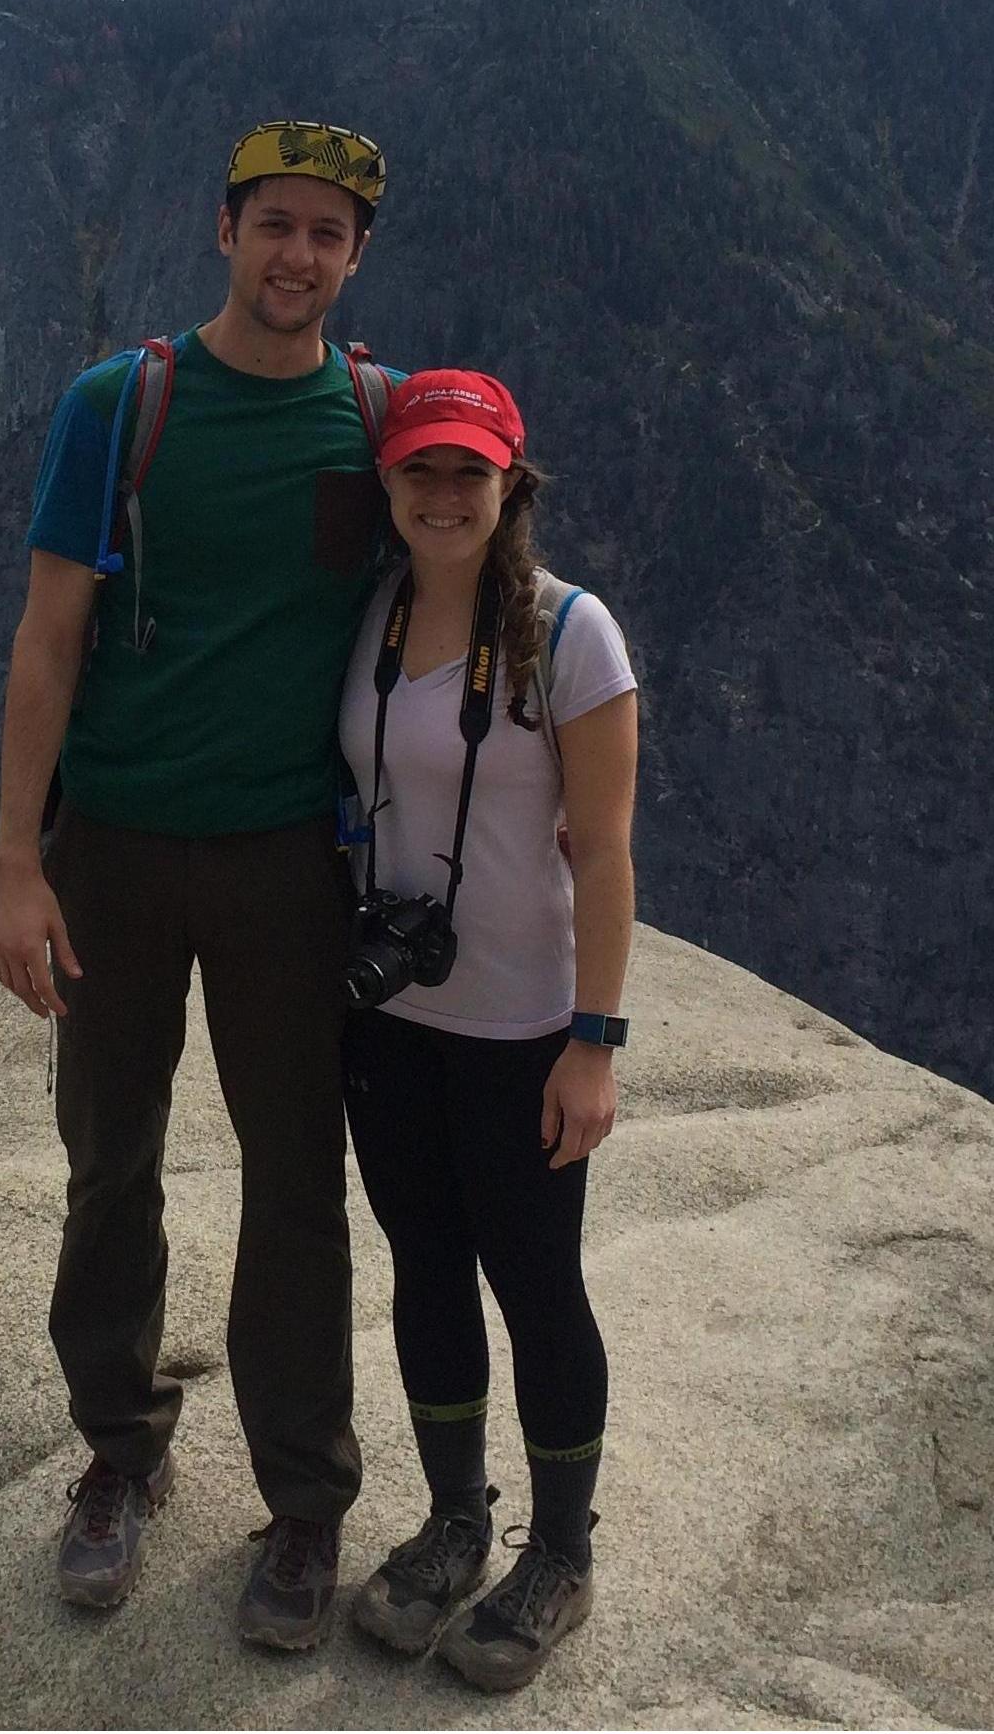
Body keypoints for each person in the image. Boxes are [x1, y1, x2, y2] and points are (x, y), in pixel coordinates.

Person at [0, 118, 395, 1650]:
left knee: (295, 1179)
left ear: (354, 257)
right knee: (109, 1160)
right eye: (273, 223)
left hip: (289, 859)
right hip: (113, 849)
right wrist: (15, 862)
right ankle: (118, 1452)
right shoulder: (120, 405)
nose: (296, 254)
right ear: (222, 230)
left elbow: (465, 570)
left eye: (325, 233)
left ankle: (304, 1501)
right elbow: (47, 638)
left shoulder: (375, 419)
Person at [336, 368, 638, 1691]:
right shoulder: (372, 611)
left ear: (511, 482)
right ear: (388, 482)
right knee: (424, 1266)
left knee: (536, 1285)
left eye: (471, 469)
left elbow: (607, 853)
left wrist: (594, 1040)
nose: (445, 493)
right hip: (392, 1020)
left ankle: (560, 1551)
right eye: (422, 468)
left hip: (521, 1028)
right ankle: (456, 1519)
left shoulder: (572, 636)